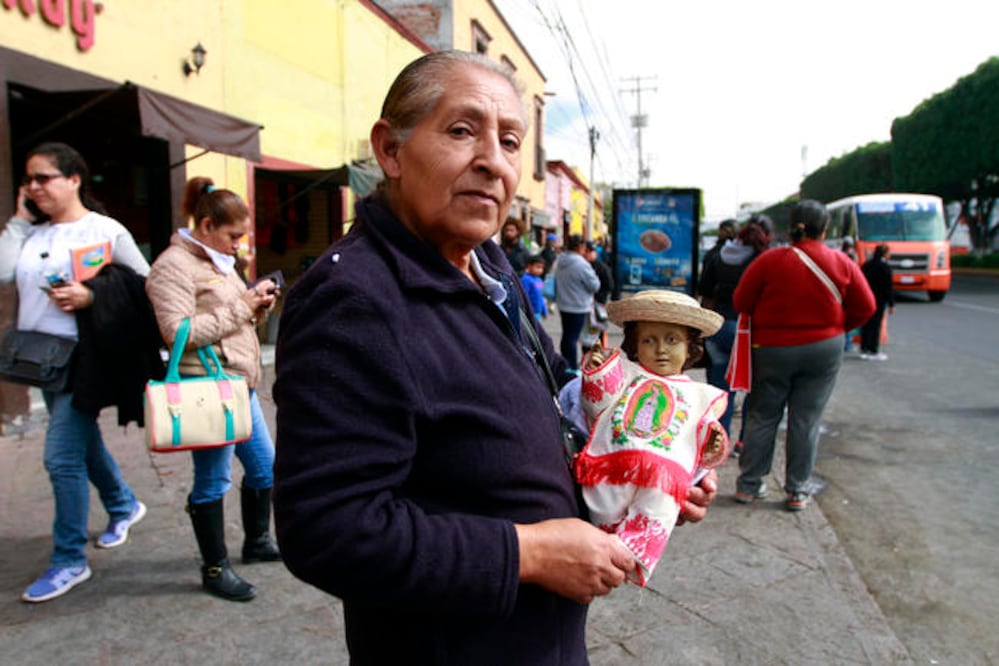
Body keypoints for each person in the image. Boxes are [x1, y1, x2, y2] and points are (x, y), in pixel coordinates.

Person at [271, 50, 718, 665]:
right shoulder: (354, 301)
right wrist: (530, 552)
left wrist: (652, 459)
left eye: (510, 141)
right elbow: (327, 530)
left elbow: (541, 394)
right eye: (461, 130)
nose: (493, 161)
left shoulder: (487, 265)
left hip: (540, 639)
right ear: (390, 150)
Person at [0, 142, 149, 602]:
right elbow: (3, 273)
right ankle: (124, 504)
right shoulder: (32, 233)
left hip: (87, 360)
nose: (34, 186)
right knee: (83, 447)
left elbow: (144, 286)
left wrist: (93, 296)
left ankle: (69, 559)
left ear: (74, 179)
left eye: (44, 177)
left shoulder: (104, 230)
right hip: (42, 359)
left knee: (60, 457)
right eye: (29, 179)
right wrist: (20, 220)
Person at [146, 176, 281, 602]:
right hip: (207, 389)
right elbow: (178, 333)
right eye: (232, 236)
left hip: (237, 386)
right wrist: (242, 306)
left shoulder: (217, 262)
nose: (237, 245)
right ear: (206, 226)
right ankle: (214, 567)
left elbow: (230, 319)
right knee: (213, 478)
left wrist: (255, 307)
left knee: (264, 466)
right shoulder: (173, 266)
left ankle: (256, 541)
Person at [575, 290, 728, 586]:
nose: (661, 350)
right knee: (602, 503)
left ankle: (631, 557)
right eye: (649, 340)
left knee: (659, 509)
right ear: (634, 345)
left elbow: (702, 440)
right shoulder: (625, 372)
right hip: (613, 462)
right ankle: (599, 541)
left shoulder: (698, 394)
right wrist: (597, 373)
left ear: (690, 348)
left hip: (663, 475)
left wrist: (713, 445)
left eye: (672, 340)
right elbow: (597, 403)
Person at [732, 200, 875, 512]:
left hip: (771, 349)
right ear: (825, 230)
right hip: (824, 348)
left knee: (763, 414)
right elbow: (866, 306)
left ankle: (749, 485)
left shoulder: (769, 261)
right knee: (806, 419)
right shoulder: (841, 261)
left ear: (791, 227)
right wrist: (835, 328)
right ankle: (797, 490)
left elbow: (741, 300)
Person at [698, 215, 773, 445]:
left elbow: (705, 292)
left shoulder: (718, 255)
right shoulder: (763, 259)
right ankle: (743, 442)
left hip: (718, 327)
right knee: (754, 387)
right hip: (748, 332)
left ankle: (720, 442)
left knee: (721, 390)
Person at [554, 234, 600, 371]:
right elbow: (595, 286)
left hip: (563, 304)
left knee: (567, 336)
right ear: (580, 247)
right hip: (579, 306)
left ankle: (566, 363)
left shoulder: (560, 260)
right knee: (573, 338)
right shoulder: (581, 264)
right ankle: (572, 367)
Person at [860, 243, 895, 361]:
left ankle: (864, 348)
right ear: (885, 253)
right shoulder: (885, 267)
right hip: (879, 300)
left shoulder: (867, 265)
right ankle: (873, 350)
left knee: (866, 323)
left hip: (866, 298)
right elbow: (888, 287)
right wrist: (891, 303)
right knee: (876, 324)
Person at [520, 254, 548, 320]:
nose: (540, 270)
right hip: (530, 312)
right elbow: (524, 296)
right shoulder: (525, 279)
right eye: (538, 267)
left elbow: (540, 295)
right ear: (529, 266)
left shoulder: (539, 279)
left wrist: (544, 310)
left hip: (538, 311)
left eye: (542, 268)